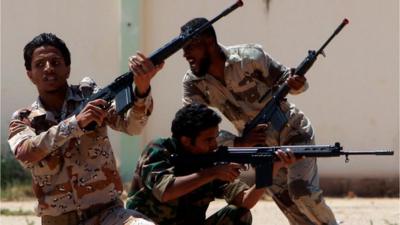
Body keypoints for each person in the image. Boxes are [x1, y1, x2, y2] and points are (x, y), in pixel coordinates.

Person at [181, 18, 338, 225]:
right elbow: (192, 127)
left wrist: (297, 83)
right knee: (293, 210)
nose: (186, 55)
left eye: (191, 47)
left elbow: (290, 82)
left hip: (292, 133)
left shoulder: (249, 58)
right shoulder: (194, 84)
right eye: (183, 49)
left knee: (302, 192)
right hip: (260, 149)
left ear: (209, 41)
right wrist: (238, 143)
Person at [7, 33, 162, 225]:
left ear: (68, 69)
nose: (48, 68)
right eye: (40, 64)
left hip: (108, 215)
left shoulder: (91, 97)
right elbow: (26, 154)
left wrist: (142, 90)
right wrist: (75, 124)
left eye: (56, 62)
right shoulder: (23, 120)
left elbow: (132, 126)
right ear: (30, 75)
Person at [126, 103, 297, 225]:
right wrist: (212, 173)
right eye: (208, 139)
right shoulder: (159, 150)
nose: (215, 144)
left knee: (239, 214)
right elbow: (166, 191)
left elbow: (245, 201)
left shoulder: (210, 160)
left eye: (215, 138)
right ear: (186, 140)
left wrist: (272, 168)